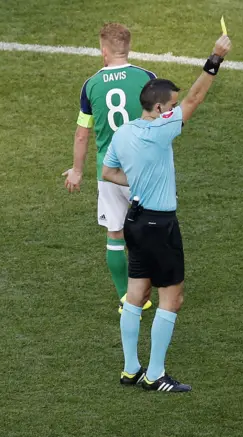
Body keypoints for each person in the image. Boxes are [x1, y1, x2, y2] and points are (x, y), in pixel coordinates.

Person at [101, 34, 232, 392]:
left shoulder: (124, 133)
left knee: (136, 294)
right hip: (160, 225)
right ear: (158, 109)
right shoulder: (161, 131)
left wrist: (138, 177)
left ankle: (130, 369)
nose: (175, 109)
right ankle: (156, 374)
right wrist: (215, 58)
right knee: (172, 298)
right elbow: (196, 97)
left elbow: (108, 172)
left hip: (135, 221)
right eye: (170, 105)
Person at [63, 22, 154, 313]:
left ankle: (127, 299)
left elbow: (81, 133)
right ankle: (153, 292)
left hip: (109, 171)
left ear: (103, 51)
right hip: (145, 170)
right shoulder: (146, 77)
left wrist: (77, 171)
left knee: (115, 234)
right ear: (128, 48)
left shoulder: (91, 85)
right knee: (152, 231)